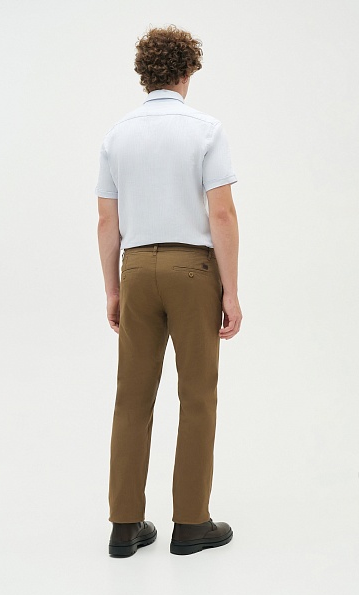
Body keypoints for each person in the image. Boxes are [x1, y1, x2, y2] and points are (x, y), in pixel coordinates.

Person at [95, 24, 242, 557]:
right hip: (192, 271)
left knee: (131, 398)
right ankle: (191, 524)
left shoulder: (117, 135)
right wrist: (231, 291)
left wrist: (113, 289)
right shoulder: (205, 130)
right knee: (196, 396)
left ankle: (124, 526)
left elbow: (106, 221)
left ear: (145, 74)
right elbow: (221, 215)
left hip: (135, 268)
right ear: (187, 72)